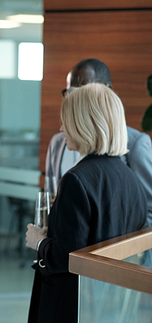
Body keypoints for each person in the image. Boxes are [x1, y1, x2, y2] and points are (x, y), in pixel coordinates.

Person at [26, 83, 147, 323]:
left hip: (71, 312)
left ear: (84, 124)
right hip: (109, 311)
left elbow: (66, 258)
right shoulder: (131, 178)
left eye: (66, 121)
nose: (61, 129)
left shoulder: (75, 180)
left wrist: (38, 241)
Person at [45, 58, 152, 230]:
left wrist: (122, 248)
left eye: (84, 91)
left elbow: (147, 209)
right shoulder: (58, 143)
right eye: (70, 92)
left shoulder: (136, 144)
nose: (75, 100)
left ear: (106, 93)